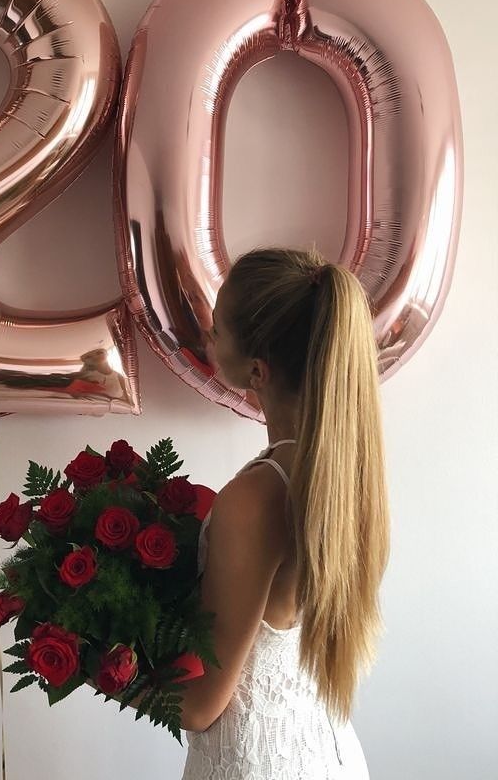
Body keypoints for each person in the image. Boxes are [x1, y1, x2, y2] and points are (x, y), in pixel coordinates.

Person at [181, 245, 390, 779]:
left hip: (254, 765)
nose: (207, 335)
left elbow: (201, 707)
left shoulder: (257, 498)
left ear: (256, 370)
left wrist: (86, 657)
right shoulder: (348, 475)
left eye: (216, 328)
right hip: (329, 756)